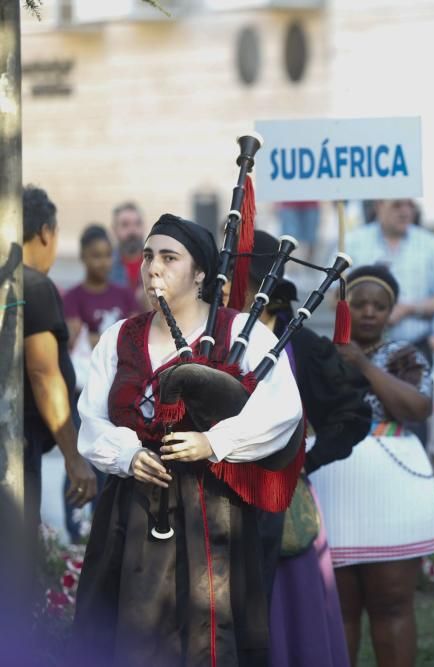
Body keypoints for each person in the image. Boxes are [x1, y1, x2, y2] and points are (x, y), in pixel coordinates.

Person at [72, 214, 303, 666]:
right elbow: (91, 422)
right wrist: (127, 454)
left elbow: (283, 409)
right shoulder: (118, 339)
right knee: (132, 634)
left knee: (207, 633)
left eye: (169, 257)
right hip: (133, 513)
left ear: (200, 273)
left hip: (213, 512)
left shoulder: (241, 332)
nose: (153, 268)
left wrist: (215, 442)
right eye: (148, 256)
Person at [228, 231, 371, 667]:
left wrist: (304, 460)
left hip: (281, 504)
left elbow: (352, 413)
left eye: (239, 279)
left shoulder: (302, 345)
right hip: (221, 501)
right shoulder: (213, 336)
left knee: (288, 624)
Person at [309, 264, 434, 666]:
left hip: (391, 490)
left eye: (379, 306)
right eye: (360, 304)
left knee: (391, 604)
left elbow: (418, 407)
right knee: (339, 608)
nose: (369, 312)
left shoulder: (405, 354)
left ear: (391, 312)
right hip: (333, 483)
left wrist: (365, 366)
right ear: (343, 307)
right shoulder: (320, 352)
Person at [22, 185, 98, 546]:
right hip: (16, 453)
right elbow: (43, 374)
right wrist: (73, 458)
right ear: (45, 233)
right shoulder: (33, 286)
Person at [341, 199, 434, 362]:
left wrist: (410, 309)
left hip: (417, 349)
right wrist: (369, 310)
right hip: (361, 350)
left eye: (410, 205)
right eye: (397, 205)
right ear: (379, 205)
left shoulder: (432, 245)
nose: (405, 211)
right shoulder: (352, 243)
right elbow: (335, 297)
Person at [64, 224, 140, 369]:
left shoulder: (125, 295)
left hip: (123, 370)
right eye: (97, 256)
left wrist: (93, 337)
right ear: (83, 256)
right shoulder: (72, 298)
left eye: (108, 255)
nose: (104, 262)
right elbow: (76, 341)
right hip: (89, 373)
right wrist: (119, 339)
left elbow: (136, 338)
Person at [108, 201, 146, 297]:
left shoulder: (157, 263)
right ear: (114, 230)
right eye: (125, 225)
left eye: (137, 224)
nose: (132, 230)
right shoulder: (106, 266)